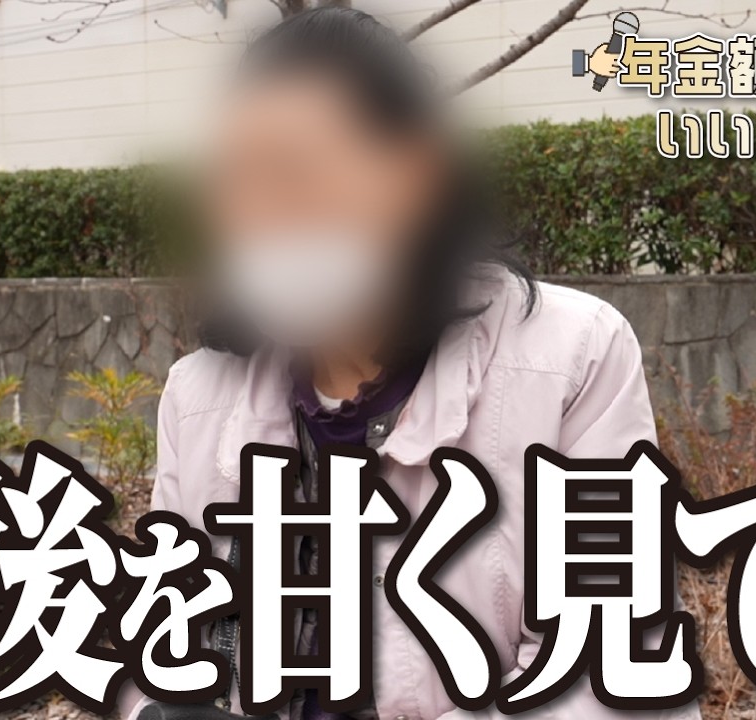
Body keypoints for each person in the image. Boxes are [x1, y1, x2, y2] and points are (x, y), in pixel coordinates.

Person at [126, 7, 697, 720]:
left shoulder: (570, 358)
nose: (261, 215)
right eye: (235, 182)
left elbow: (609, 669)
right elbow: (165, 642)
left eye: (296, 173)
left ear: (417, 175)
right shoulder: (198, 396)